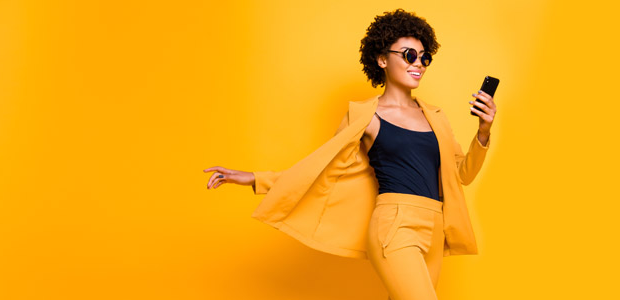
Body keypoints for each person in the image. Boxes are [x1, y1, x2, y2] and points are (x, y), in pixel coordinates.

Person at [204, 9, 496, 300]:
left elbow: (462, 174)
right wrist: (254, 179)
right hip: (395, 225)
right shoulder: (366, 117)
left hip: (435, 229)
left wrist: (483, 131)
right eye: (409, 55)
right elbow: (320, 170)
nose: (418, 63)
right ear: (382, 59)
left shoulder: (436, 117)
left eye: (424, 57)